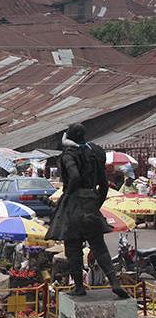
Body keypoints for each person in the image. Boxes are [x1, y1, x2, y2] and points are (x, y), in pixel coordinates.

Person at [45, 123, 128, 298]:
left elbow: (74, 176)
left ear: (70, 136)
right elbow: (104, 185)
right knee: (99, 246)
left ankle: (79, 287)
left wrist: (67, 195)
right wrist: (95, 204)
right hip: (91, 201)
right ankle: (114, 282)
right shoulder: (95, 154)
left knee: (73, 248)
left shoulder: (69, 155)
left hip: (73, 203)